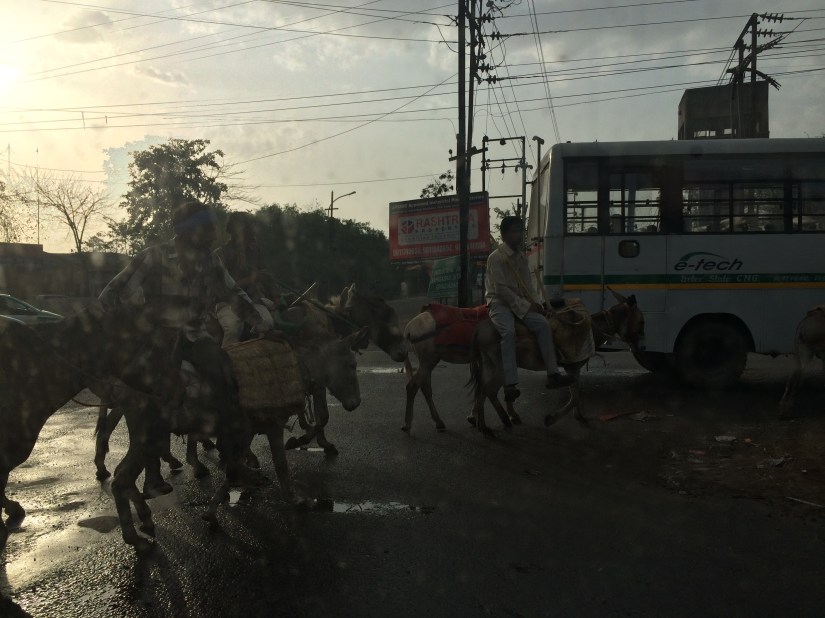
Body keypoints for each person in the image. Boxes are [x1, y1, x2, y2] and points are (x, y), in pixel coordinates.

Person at [98, 200, 272, 489]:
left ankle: (232, 460)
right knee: (150, 398)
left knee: (228, 375)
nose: (215, 235)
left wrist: (263, 325)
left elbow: (233, 294)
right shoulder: (153, 258)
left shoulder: (211, 261)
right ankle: (151, 471)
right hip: (155, 340)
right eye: (209, 229)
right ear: (192, 231)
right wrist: (140, 326)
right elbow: (111, 296)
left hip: (194, 337)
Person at [484, 215, 573, 402]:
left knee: (543, 324)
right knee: (508, 333)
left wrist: (538, 304)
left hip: (520, 303)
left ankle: (553, 373)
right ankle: (510, 384)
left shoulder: (521, 257)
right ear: (503, 235)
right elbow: (501, 290)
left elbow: (528, 286)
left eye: (520, 231)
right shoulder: (496, 258)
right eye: (514, 232)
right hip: (499, 303)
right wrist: (525, 306)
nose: (518, 236)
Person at [214, 211, 275, 345]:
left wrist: (265, 278)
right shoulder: (220, 255)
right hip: (227, 304)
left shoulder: (256, 252)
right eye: (250, 228)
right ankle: (229, 356)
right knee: (233, 329)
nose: (254, 232)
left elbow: (266, 278)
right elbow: (224, 290)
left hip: (254, 301)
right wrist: (252, 278)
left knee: (268, 323)